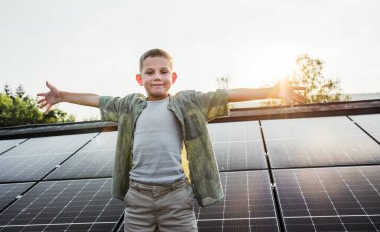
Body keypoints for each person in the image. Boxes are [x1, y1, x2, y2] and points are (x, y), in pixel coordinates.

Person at [37, 48, 306, 232]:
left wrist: (271, 91)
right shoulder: (130, 105)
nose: (157, 77)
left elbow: (227, 94)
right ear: (140, 78)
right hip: (138, 198)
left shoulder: (188, 102)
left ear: (172, 77)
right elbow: (97, 99)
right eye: (150, 72)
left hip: (176, 198)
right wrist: (63, 96)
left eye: (163, 72)